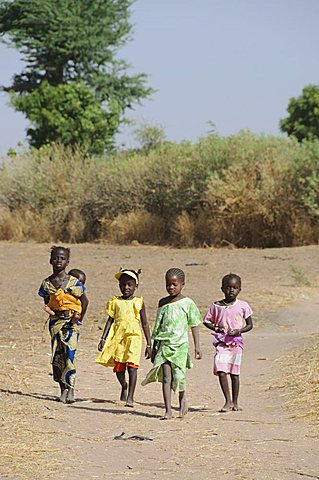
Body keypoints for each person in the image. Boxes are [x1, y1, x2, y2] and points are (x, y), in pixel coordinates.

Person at [142, 268, 202, 420]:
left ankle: (182, 399)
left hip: (180, 346)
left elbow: (194, 324)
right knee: (167, 377)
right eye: (168, 284)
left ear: (182, 284)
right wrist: (154, 347)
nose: (171, 287)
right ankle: (168, 410)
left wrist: (197, 347)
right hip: (164, 345)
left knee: (179, 376)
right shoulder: (162, 303)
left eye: (174, 284)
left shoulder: (187, 303)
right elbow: (158, 327)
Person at [38, 246, 88, 404]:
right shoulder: (46, 284)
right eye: (55, 258)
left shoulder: (74, 282)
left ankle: (71, 388)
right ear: (50, 260)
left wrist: (79, 319)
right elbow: (47, 302)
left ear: (67, 262)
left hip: (71, 323)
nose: (58, 261)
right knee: (57, 356)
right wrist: (52, 312)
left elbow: (84, 301)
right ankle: (62, 389)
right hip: (55, 324)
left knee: (70, 355)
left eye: (62, 258)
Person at [96, 268, 152, 407]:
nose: (126, 288)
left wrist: (149, 344)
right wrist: (103, 338)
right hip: (118, 338)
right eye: (122, 285)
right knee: (119, 368)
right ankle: (124, 385)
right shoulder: (115, 302)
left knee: (132, 367)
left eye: (129, 285)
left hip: (133, 337)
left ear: (136, 286)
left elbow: (145, 324)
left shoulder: (138, 302)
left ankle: (131, 397)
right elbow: (110, 320)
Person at [203, 273, 253, 412]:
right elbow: (206, 321)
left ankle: (236, 402)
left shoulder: (243, 306)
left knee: (234, 373)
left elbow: (250, 325)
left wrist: (239, 331)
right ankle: (227, 401)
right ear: (222, 289)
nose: (231, 290)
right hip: (221, 344)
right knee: (221, 370)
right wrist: (216, 328)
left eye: (235, 288)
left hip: (236, 344)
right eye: (228, 287)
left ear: (240, 290)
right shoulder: (216, 306)